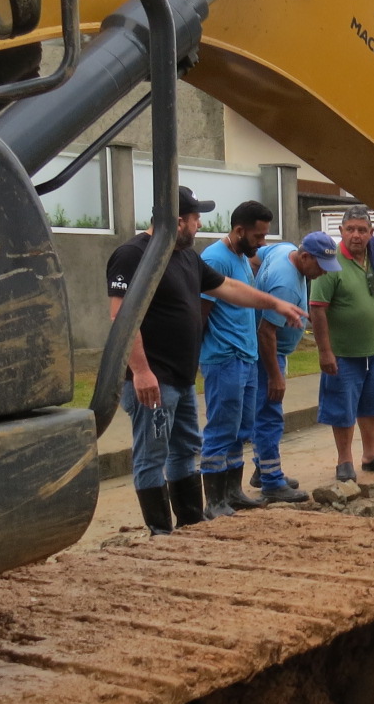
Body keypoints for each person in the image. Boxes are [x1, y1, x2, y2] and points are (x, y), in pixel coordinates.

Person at [106, 186, 304, 534]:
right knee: (152, 456)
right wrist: (140, 371)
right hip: (154, 378)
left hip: (181, 379)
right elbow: (121, 318)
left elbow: (227, 287)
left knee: (185, 450)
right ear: (179, 221)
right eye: (196, 219)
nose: (199, 226)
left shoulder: (185, 256)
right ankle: (160, 532)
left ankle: (190, 523)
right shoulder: (132, 255)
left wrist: (273, 304)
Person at [198, 200, 306, 516]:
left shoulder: (241, 257)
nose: (261, 244)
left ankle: (233, 492)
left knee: (240, 429)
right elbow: (202, 311)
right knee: (220, 429)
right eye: (258, 237)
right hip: (224, 357)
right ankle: (214, 501)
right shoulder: (216, 259)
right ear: (239, 230)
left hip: (245, 357)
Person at [248, 230, 340, 501]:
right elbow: (266, 333)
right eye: (320, 267)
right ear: (304, 256)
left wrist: (255, 289)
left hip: (272, 351)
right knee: (269, 414)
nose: (323, 273)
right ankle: (272, 482)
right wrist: (275, 376)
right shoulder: (286, 285)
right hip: (267, 355)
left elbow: (254, 257)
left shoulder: (281, 250)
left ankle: (263, 470)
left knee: (265, 412)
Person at [311, 205, 374, 482]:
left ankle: (370, 456)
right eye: (350, 229)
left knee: (373, 404)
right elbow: (317, 308)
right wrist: (325, 351)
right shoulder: (331, 263)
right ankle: (344, 461)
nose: (356, 235)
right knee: (343, 409)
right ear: (341, 231)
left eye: (362, 230)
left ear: (371, 233)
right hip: (343, 354)